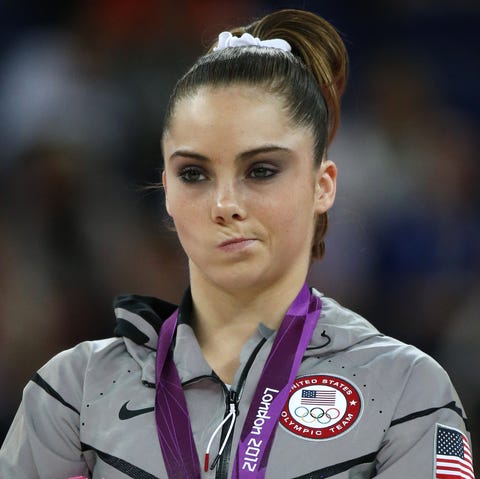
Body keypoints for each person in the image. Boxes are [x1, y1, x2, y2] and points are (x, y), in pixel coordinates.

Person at [0, 8, 475, 479]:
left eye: (261, 170)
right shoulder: (73, 390)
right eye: (194, 174)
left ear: (322, 186)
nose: (224, 204)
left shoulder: (406, 390)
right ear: (167, 190)